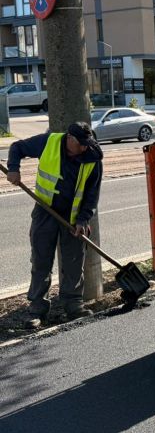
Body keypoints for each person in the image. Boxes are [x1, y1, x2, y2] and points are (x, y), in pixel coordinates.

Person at [6, 122, 104, 328]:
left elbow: (92, 194)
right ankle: (37, 309)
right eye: (81, 144)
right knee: (41, 259)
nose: (85, 148)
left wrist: (83, 219)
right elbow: (17, 148)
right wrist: (13, 169)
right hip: (45, 211)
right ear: (69, 139)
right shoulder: (48, 142)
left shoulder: (93, 156)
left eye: (88, 143)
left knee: (74, 261)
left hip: (73, 217)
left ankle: (73, 304)